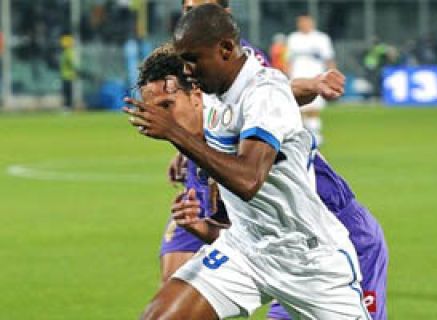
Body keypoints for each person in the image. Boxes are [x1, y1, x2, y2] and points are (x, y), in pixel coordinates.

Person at [125, 5, 370, 319]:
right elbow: (206, 121)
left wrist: (174, 133)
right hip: (245, 250)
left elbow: (248, 180)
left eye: (192, 59)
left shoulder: (264, 94)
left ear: (226, 49)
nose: (187, 70)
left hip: (309, 261)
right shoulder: (214, 89)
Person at [160, 0, 345, 287]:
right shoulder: (186, 52)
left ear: (225, 15)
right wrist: (185, 151)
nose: (193, 14)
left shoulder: (241, 58)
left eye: (201, 7)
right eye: (187, 8)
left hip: (239, 187)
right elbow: (201, 108)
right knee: (172, 285)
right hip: (203, 180)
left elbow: (268, 97)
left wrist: (311, 84)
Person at [287, 15, 336, 145]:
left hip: (316, 77)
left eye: (306, 22)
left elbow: (329, 59)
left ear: (312, 23)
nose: (303, 24)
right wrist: (286, 75)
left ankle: (316, 135)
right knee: (298, 107)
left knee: (314, 108)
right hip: (297, 76)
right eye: (301, 22)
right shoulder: (293, 38)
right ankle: (301, 136)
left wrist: (332, 76)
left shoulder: (321, 38)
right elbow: (289, 60)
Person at [59, 35, 77, 110]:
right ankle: (67, 107)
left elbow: (72, 64)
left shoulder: (69, 52)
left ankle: (68, 107)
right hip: (65, 75)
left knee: (68, 93)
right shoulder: (66, 52)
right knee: (66, 92)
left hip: (68, 76)